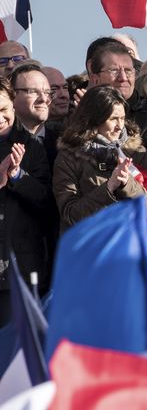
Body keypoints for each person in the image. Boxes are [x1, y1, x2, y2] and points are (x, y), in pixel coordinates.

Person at [53, 86, 147, 232]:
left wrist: (127, 184)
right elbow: (70, 215)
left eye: (122, 118)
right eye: (113, 119)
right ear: (94, 120)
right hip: (91, 248)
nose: (119, 126)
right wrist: (109, 187)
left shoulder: (136, 151)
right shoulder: (69, 156)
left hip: (129, 246)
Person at [0, 77, 52, 326]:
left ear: (12, 105)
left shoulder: (31, 147)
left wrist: (18, 176)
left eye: (3, 110)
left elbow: (46, 203)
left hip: (21, 269)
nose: (0, 118)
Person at [88, 41, 147, 181]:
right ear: (95, 78)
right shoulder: (82, 117)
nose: (123, 78)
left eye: (128, 70)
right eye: (114, 70)